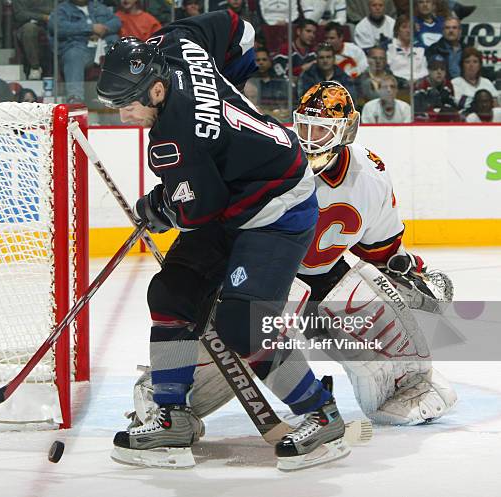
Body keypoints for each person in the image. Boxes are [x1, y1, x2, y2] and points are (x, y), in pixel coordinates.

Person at [127, 81, 457, 458]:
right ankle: (169, 397)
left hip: (326, 284)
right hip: (261, 280)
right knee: (240, 324)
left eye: (322, 130)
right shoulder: (269, 153)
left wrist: (409, 273)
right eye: (305, 126)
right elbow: (212, 216)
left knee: (403, 394)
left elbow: (380, 249)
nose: (311, 138)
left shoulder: (369, 175)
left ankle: (380, 385)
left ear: (345, 131)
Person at [96, 11, 351, 472]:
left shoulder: (175, 137)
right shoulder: (174, 44)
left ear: (156, 89)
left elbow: (200, 209)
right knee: (171, 293)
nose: (124, 115)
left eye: (130, 104)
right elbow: (235, 24)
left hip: (277, 205)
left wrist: (162, 208)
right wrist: (226, 91)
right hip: (239, 185)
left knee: (243, 325)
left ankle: (321, 413)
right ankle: (172, 416)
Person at [48, 0, 121, 104]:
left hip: (101, 46)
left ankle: (116, 94)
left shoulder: (98, 6)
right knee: (74, 55)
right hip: (79, 48)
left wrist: (104, 29)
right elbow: (56, 27)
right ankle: (75, 98)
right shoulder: (62, 9)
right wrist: (90, 29)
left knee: (118, 49)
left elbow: (116, 21)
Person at [13, 0, 53, 80]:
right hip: (26, 24)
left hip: (49, 23)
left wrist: (33, 12)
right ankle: (35, 67)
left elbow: (54, 9)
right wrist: (42, 16)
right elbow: (20, 15)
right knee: (29, 29)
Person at [451, 47, 498, 112]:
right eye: (467, 62)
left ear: (480, 65)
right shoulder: (454, 83)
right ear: (462, 65)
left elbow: (496, 108)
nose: (471, 65)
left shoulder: (487, 82)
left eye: (475, 62)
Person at [413, 54, 459, 121]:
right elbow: (418, 112)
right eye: (435, 68)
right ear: (428, 70)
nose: (439, 72)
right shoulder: (420, 85)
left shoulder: (448, 85)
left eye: (442, 69)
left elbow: (452, 107)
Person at [249, 47, 290, 120]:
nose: (261, 62)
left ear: (270, 62)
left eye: (264, 59)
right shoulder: (249, 82)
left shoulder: (279, 81)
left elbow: (286, 106)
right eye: (258, 60)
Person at [387, 14, 428, 81]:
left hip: (417, 84)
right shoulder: (389, 47)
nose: (408, 31)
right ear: (397, 30)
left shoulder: (421, 48)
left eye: (410, 27)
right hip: (397, 84)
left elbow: (425, 71)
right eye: (404, 27)